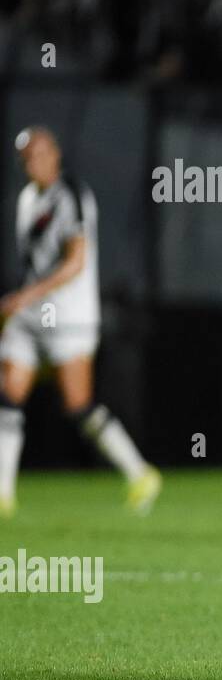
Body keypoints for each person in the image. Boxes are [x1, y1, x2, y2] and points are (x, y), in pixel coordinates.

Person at [0, 126, 161, 518]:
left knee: (77, 405)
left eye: (39, 153)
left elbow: (76, 262)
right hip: (28, 318)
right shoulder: (26, 199)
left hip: (69, 317)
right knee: (7, 397)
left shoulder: (70, 195)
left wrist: (24, 296)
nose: (32, 162)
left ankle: (141, 473)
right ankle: (2, 494)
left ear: (55, 154)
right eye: (25, 156)